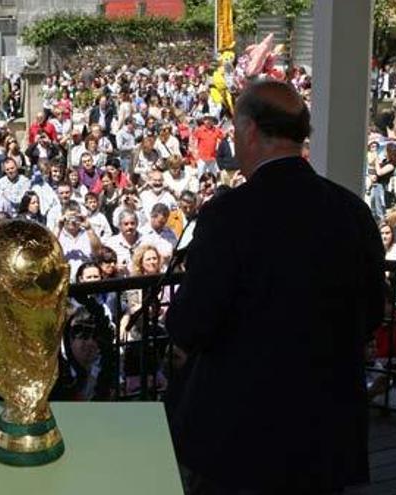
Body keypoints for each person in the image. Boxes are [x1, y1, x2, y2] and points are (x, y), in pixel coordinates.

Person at [164, 81, 384, 494]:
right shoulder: (351, 210)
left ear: (248, 131)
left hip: (242, 434)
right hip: (326, 429)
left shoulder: (229, 214)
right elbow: (372, 310)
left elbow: (192, 321)